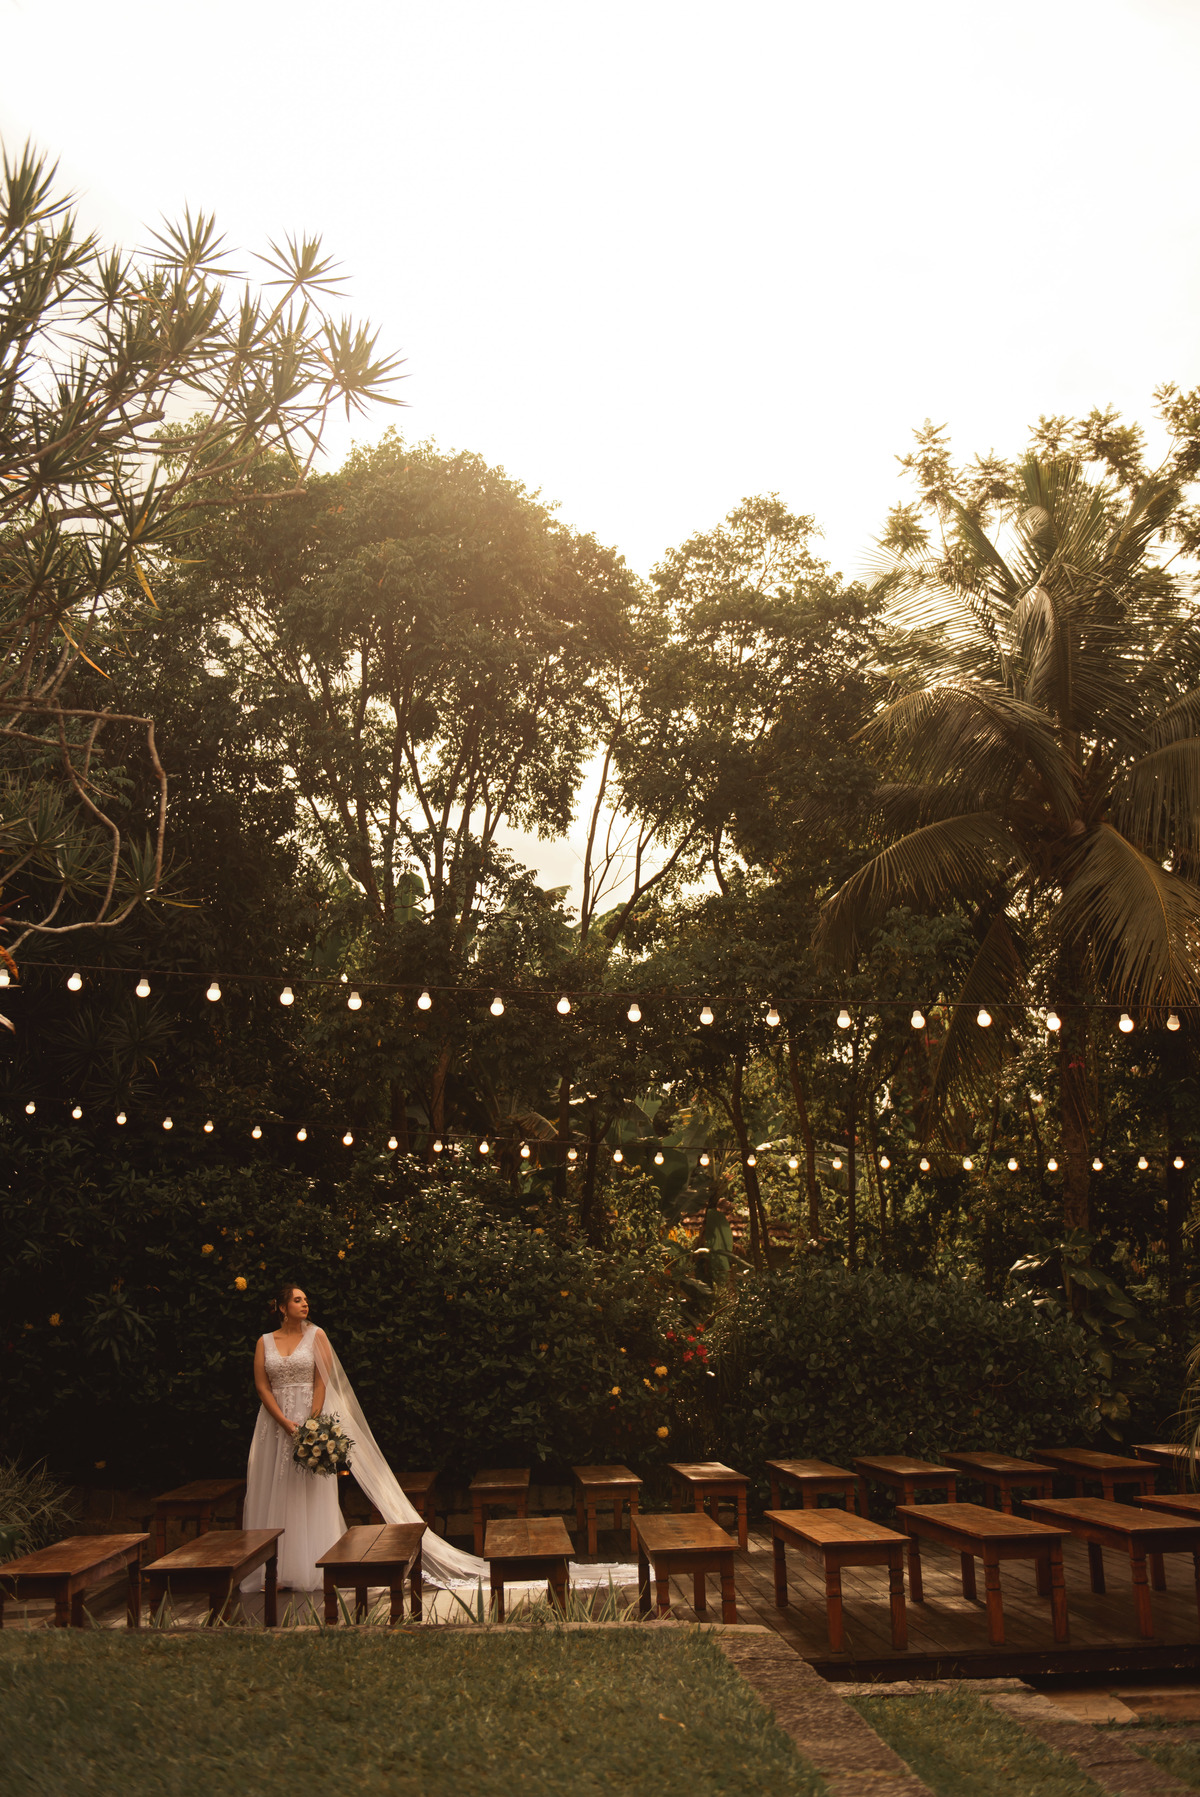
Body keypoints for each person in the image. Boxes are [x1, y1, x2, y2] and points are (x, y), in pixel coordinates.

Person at [243, 1278, 636, 1598]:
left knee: (308, 1494)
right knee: (274, 1491)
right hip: (274, 1427)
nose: (305, 1304)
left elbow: (321, 1383)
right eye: (297, 1300)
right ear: (281, 1306)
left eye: (306, 1299)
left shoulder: (318, 1337)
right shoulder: (264, 1342)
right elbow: (262, 1385)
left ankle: (310, 1565)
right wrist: (284, 1423)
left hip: (309, 1426)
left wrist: (310, 1425)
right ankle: (270, 1572)